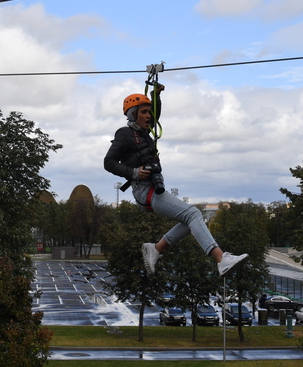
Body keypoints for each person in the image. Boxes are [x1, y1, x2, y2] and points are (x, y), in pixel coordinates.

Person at [104, 84, 247, 276]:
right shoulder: (125, 134)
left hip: (153, 187)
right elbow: (109, 162)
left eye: (149, 112)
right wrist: (134, 172)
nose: (149, 116)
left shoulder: (144, 133)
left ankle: (155, 248)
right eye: (144, 112)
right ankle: (221, 259)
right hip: (143, 190)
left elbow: (156, 115)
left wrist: (156, 95)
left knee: (191, 222)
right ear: (132, 115)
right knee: (194, 214)